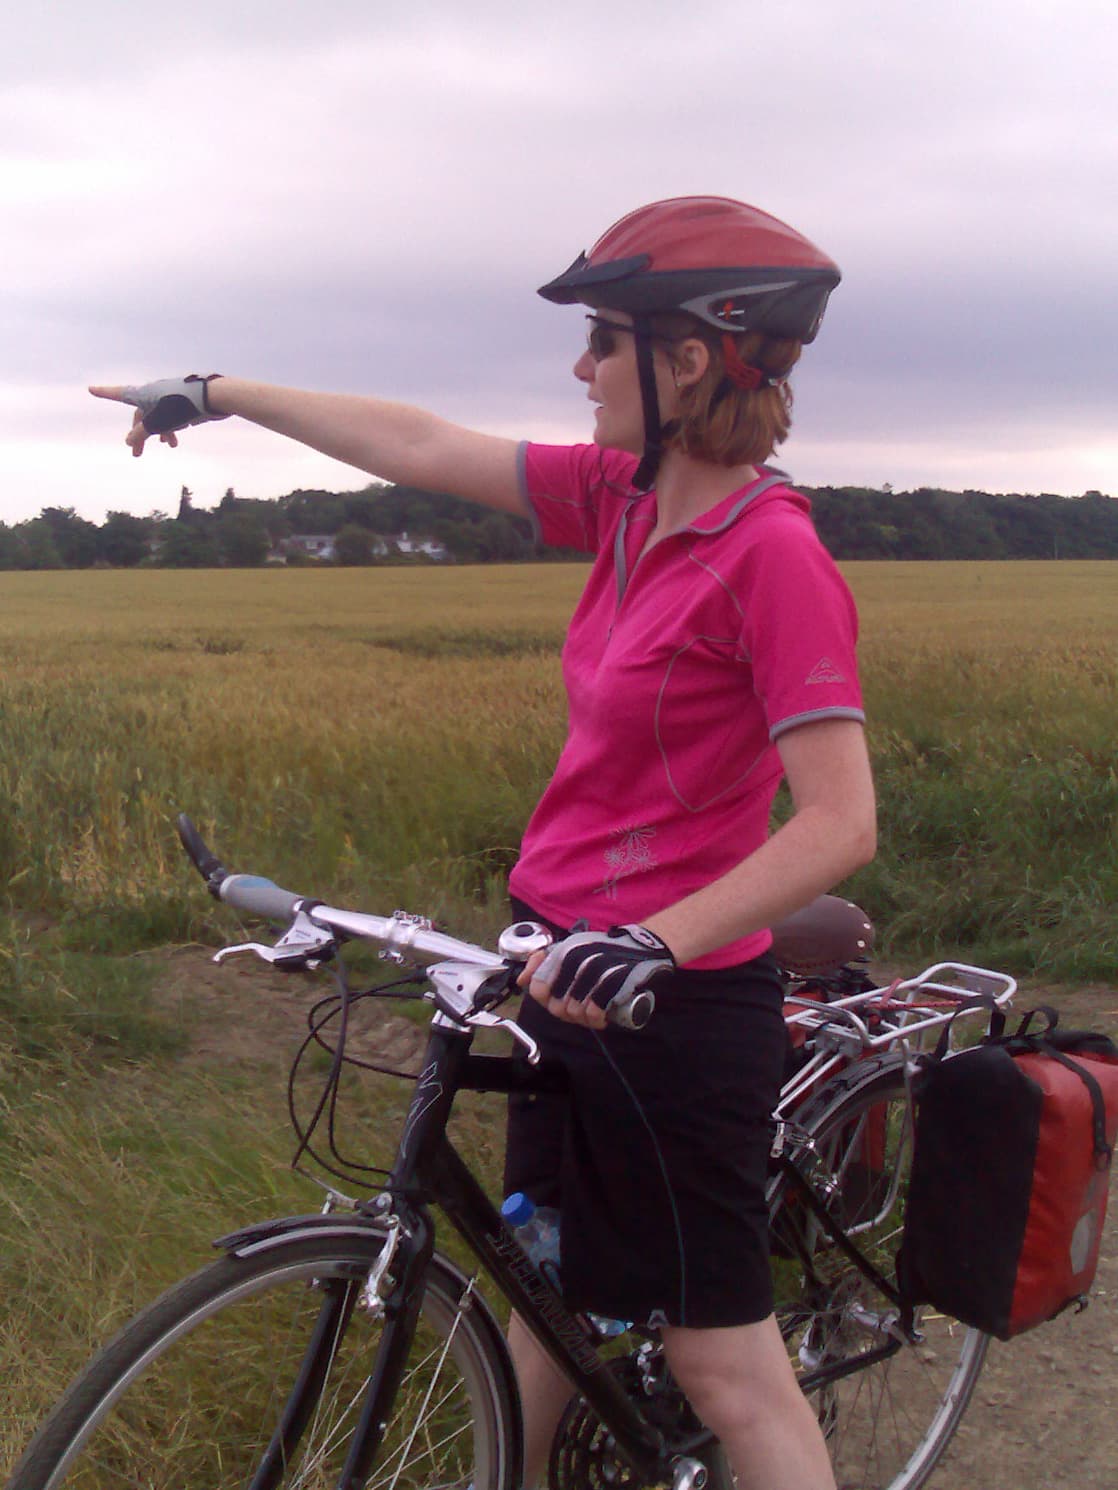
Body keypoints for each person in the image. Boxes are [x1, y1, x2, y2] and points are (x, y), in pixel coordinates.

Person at [91, 194, 875, 1490]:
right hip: (559, 967)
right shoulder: (622, 502)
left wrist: (655, 941)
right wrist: (219, 392)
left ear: (686, 361)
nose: (579, 368)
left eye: (602, 340)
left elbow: (841, 818)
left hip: (672, 1007)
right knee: (543, 1287)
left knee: (719, 1364)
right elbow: (417, 440)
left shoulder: (771, 557)